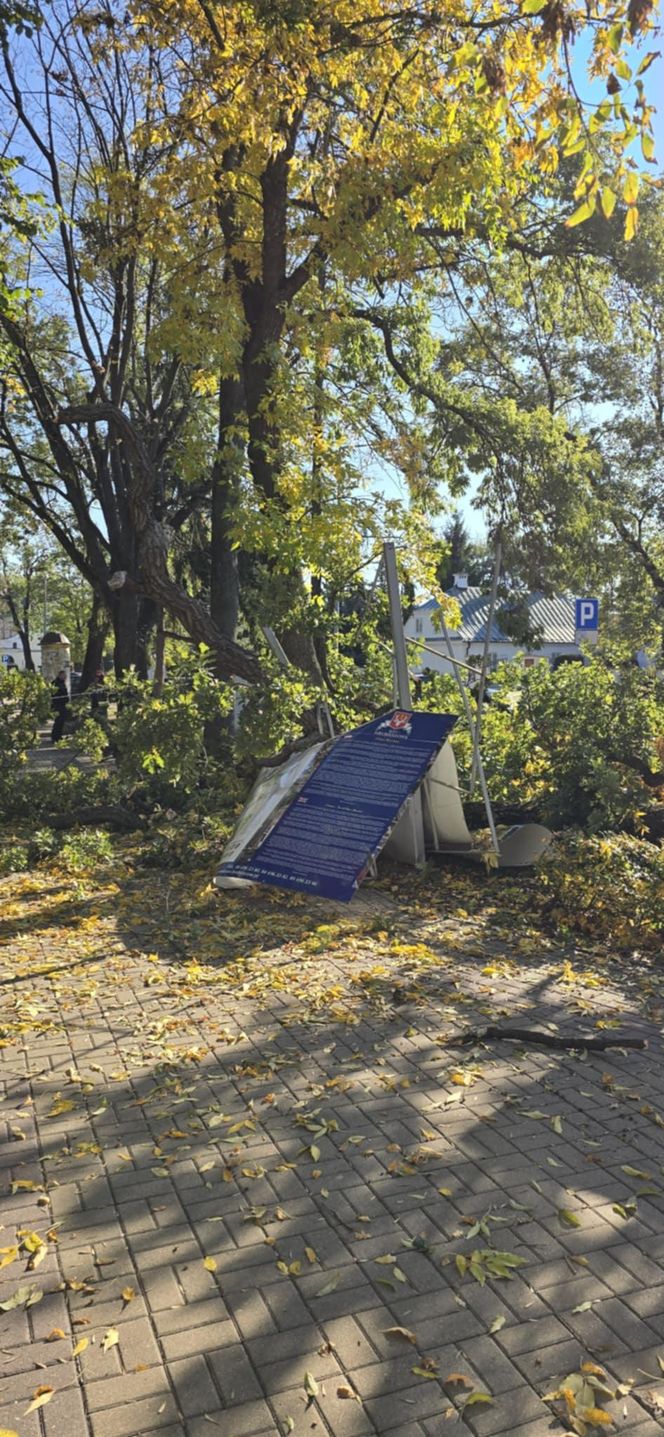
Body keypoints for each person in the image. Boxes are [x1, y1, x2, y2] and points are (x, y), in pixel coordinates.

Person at [50, 669, 70, 744]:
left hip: (62, 705)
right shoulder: (56, 683)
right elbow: (55, 694)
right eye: (64, 676)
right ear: (60, 675)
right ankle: (55, 736)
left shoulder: (62, 683)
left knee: (61, 722)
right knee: (58, 722)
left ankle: (58, 736)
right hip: (57, 705)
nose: (65, 677)